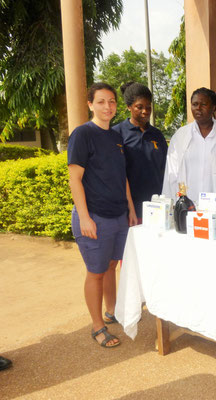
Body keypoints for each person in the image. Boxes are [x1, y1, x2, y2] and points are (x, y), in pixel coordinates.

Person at [68, 82, 138, 348]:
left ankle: (112, 311)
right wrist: (85, 218)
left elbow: (123, 177)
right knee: (95, 271)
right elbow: (75, 179)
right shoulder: (83, 134)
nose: (108, 107)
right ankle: (97, 326)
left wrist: (130, 208)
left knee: (111, 265)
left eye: (111, 102)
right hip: (94, 216)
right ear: (90, 105)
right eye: (101, 102)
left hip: (119, 215)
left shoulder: (116, 136)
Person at [162, 87, 216, 204]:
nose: (198, 108)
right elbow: (171, 173)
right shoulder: (180, 136)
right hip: (187, 204)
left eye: (203, 104)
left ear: (213, 107)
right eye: (195, 104)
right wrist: (170, 203)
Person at [112, 82, 168, 222]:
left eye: (148, 107)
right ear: (129, 107)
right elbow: (115, 173)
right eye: (139, 107)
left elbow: (165, 169)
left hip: (157, 207)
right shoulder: (116, 134)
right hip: (130, 209)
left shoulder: (157, 135)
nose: (145, 111)